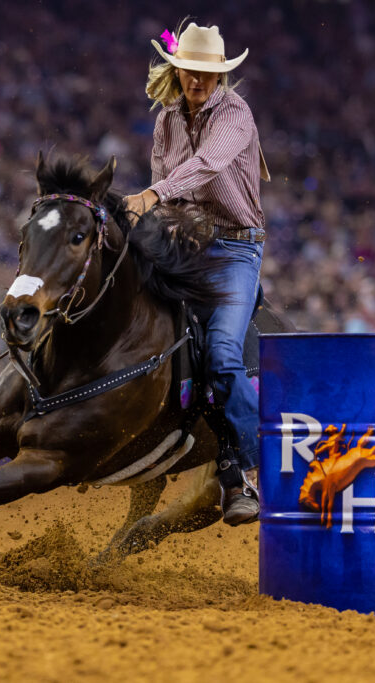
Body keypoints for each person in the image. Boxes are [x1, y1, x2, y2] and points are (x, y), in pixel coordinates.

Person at [123, 21, 271, 526]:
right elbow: (166, 193)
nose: (198, 80)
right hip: (185, 245)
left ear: (220, 75)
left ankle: (247, 469)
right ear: (178, 70)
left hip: (234, 250)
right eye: (190, 70)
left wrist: (153, 195)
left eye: (207, 73)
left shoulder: (235, 114)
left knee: (223, 353)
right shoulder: (167, 120)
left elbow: (206, 165)